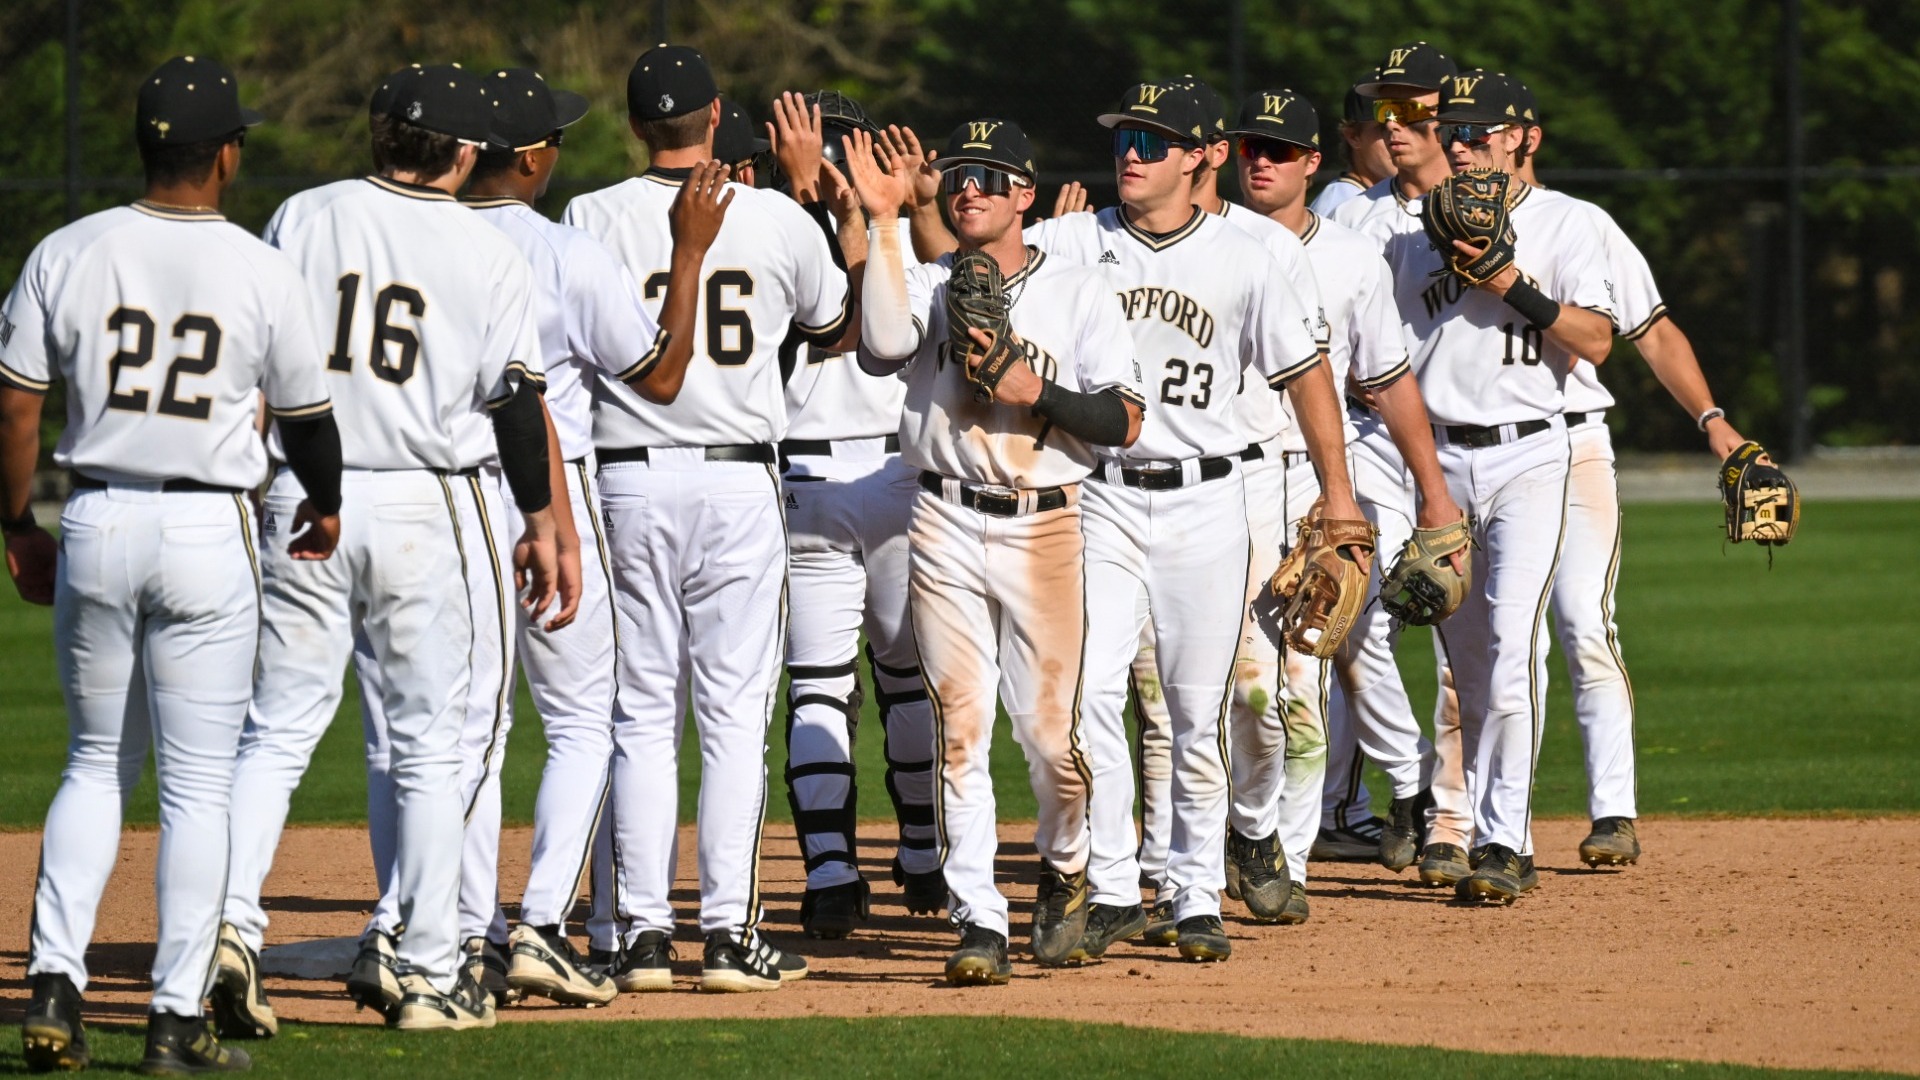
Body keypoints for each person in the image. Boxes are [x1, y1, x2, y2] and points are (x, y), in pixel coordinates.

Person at [4, 55, 340, 1074]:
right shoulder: (259, 266)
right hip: (207, 529)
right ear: (228, 154)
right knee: (197, 789)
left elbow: (16, 405)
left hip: (98, 514)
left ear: (146, 146)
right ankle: (172, 1023)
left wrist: (17, 523)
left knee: (94, 763)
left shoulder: (68, 248)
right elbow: (309, 422)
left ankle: (55, 987)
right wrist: (325, 504)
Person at [219, 61, 565, 1031]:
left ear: (378, 134)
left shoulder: (301, 214)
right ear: (463, 152)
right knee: (428, 744)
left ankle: (229, 927)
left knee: (278, 726)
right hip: (427, 500)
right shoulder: (490, 250)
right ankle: (424, 966)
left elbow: (263, 366)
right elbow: (515, 402)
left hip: (309, 494)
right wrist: (540, 524)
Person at [562, 44, 852, 993]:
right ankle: (728, 933)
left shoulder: (590, 215)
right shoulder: (773, 216)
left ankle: (643, 935)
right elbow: (834, 328)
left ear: (638, 126)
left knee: (639, 710)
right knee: (733, 717)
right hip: (738, 480)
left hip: (626, 477)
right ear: (719, 116)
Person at [844, 118, 1145, 984]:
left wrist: (1035, 390)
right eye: (958, 173)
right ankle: (978, 920)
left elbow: (1123, 420)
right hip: (939, 517)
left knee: (1052, 736)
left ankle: (1066, 864)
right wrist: (885, 219)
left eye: (990, 174)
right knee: (958, 733)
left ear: (1026, 195)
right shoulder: (926, 278)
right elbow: (884, 349)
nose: (968, 185)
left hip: (1047, 521)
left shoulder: (1083, 289)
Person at [459, 67, 726, 1004]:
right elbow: (657, 377)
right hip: (549, 501)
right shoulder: (560, 250)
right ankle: (538, 922)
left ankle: (462, 932)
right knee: (581, 719)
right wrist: (688, 254)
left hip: (441, 499)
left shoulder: (415, 240)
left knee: (470, 727)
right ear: (531, 157)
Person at [1367, 68, 1618, 903]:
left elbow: (1597, 340)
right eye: (1457, 133)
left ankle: (1506, 842)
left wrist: (1512, 283)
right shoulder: (1405, 242)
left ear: (1523, 138)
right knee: (1468, 668)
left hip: (1532, 456)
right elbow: (1384, 366)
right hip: (1440, 462)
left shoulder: (1568, 223)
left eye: (1481, 132)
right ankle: (1469, 823)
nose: (1466, 145)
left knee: (1514, 648)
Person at [1226, 86, 1462, 916]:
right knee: (1206, 684)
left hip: (1331, 463)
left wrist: (1434, 496)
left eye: (1278, 149)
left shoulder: (1351, 258)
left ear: (1311, 161)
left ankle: (1289, 852)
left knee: (1320, 643)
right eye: (1249, 145)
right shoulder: (1208, 246)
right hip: (1226, 477)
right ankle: (1199, 845)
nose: (1261, 160)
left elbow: (1389, 381)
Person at [764, 91, 943, 939]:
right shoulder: (896, 240)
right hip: (891, 473)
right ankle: (921, 857)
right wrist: (909, 210)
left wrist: (804, 196)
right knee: (907, 678)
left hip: (809, 480)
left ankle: (834, 875)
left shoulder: (765, 235)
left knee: (820, 688)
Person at [1309, 74, 1393, 217]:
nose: (1395, 136)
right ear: (1354, 137)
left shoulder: (1381, 197)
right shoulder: (1338, 205)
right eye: (1383, 127)